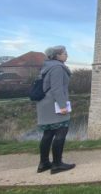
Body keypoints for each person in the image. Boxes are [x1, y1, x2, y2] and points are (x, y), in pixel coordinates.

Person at [36, 45, 75, 174]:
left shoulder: (47, 66)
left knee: (48, 134)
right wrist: (63, 106)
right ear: (57, 55)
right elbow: (57, 88)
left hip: (44, 104)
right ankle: (57, 164)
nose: (67, 55)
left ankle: (44, 163)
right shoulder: (57, 67)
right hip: (54, 105)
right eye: (64, 53)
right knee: (61, 131)